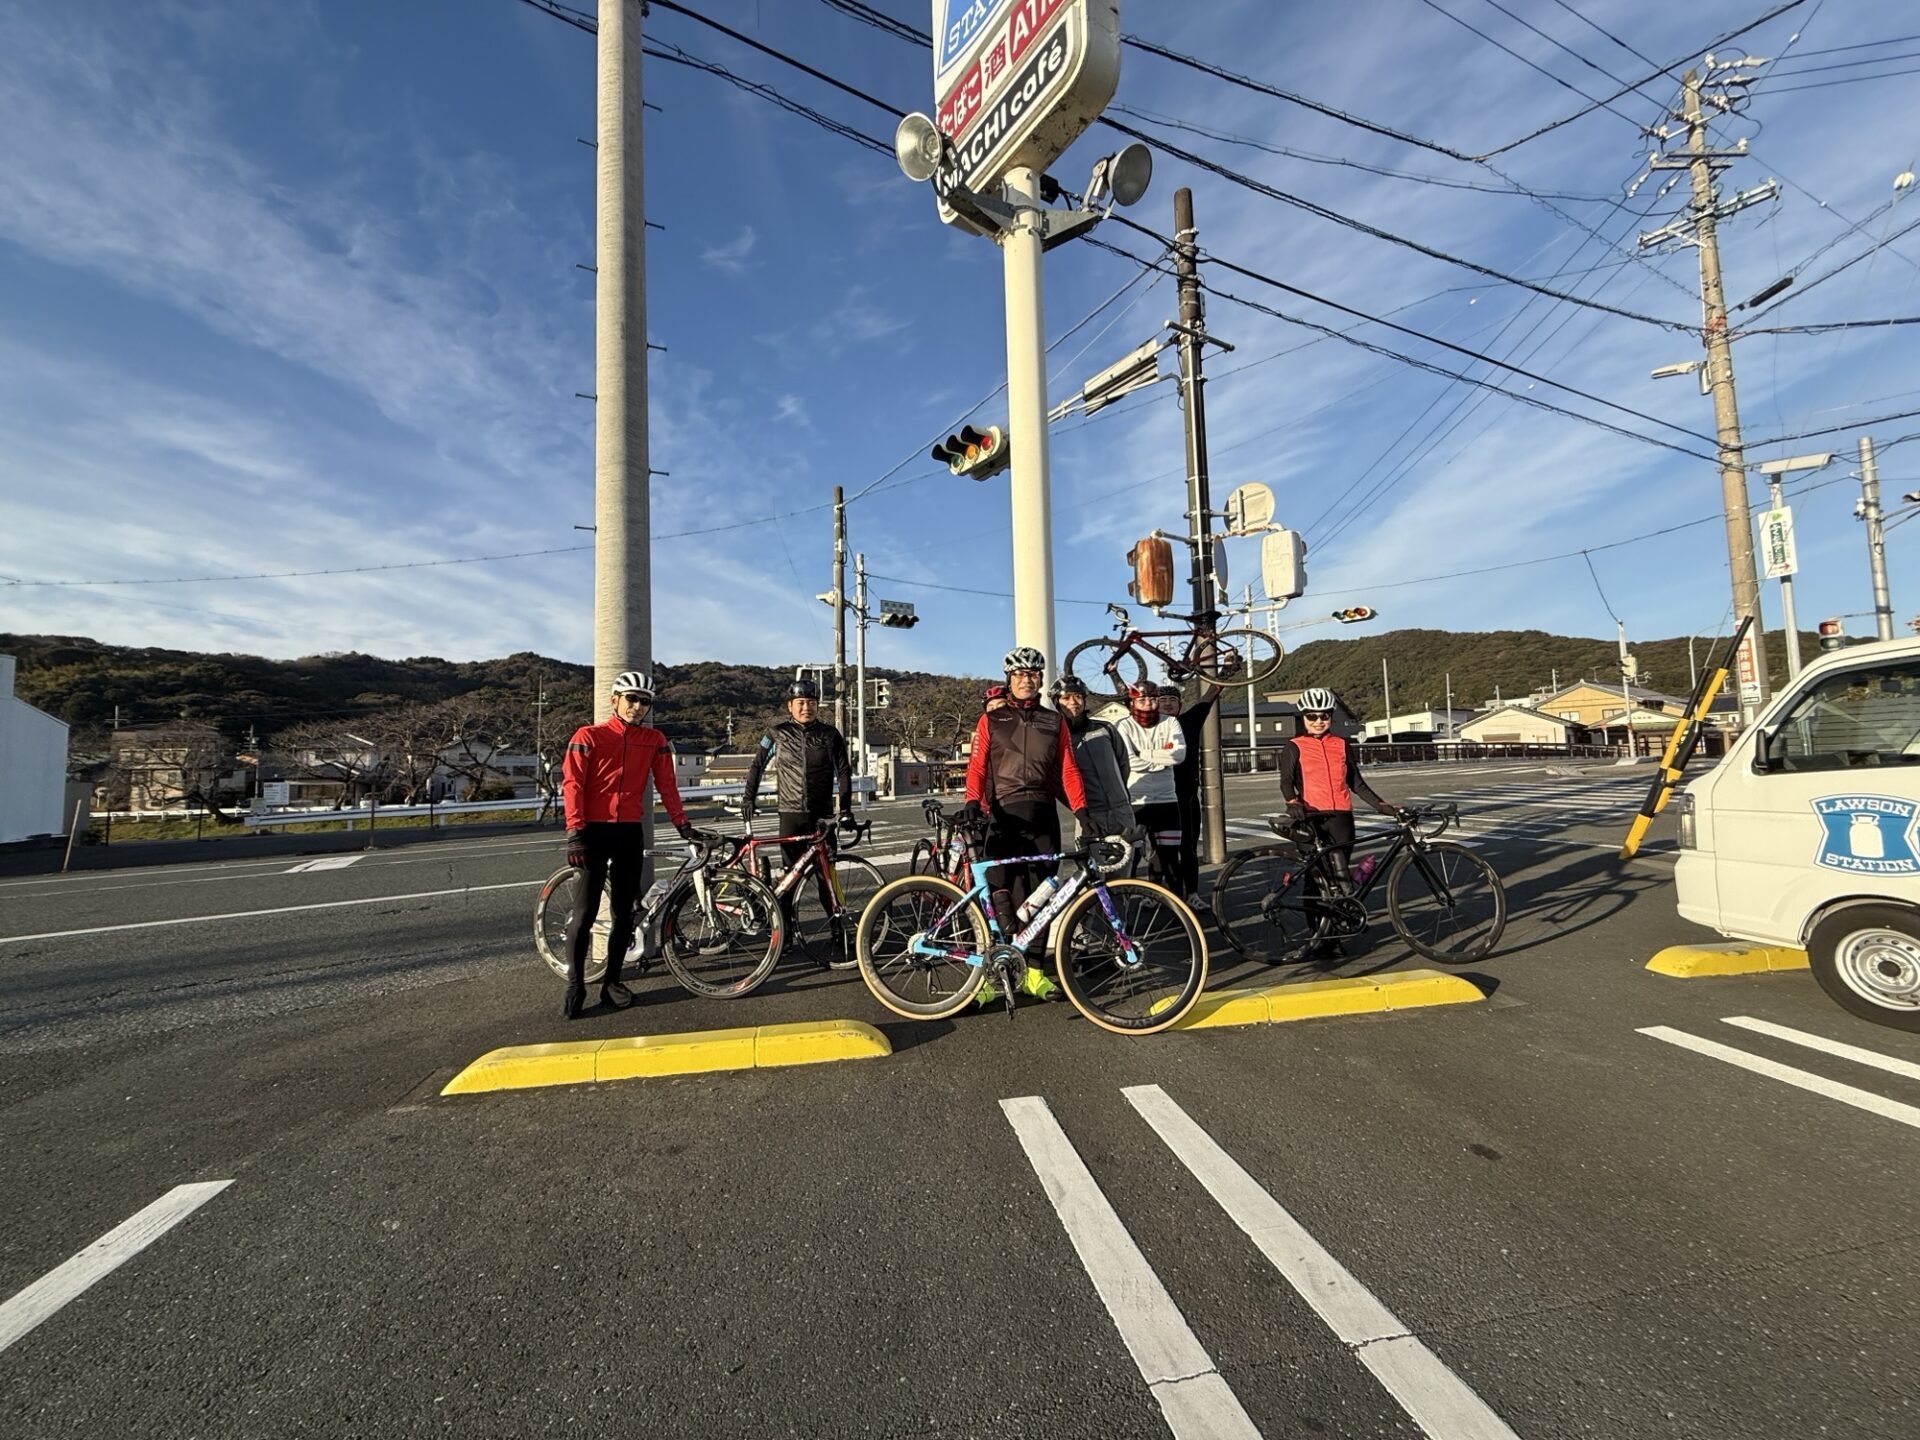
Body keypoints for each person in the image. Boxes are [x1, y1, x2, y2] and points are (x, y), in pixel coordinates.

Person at [562, 670, 697, 1019]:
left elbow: (667, 785)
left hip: (628, 831)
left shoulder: (655, 741)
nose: (638, 707)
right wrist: (575, 832)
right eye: (631, 699)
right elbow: (572, 784)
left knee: (625, 912)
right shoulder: (588, 736)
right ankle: (575, 984)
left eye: (644, 702)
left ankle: (611, 982)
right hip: (592, 831)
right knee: (585, 913)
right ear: (615, 700)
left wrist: (682, 823)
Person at [964, 646, 1090, 1001]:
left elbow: (1068, 769)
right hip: (1004, 814)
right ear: (1009, 679)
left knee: (1044, 897)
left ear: (1040, 680)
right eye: (1019, 674)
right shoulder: (992, 719)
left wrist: (1082, 812)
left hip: (1043, 814)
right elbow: (977, 767)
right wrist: (972, 802)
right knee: (998, 893)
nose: (1026, 680)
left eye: (1032, 675)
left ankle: (1034, 973)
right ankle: (993, 976)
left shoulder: (1054, 721)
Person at [1280, 686, 1407, 958]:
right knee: (1317, 882)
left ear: (1330, 716)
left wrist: (1381, 805)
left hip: (1342, 818)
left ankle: (1334, 935)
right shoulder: (1294, 746)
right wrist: (1293, 803)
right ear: (1303, 718)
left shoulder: (1341, 745)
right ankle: (1317, 938)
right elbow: (1286, 782)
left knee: (1340, 879)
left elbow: (1356, 783)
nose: (1318, 721)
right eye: (1312, 716)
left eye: (1323, 715)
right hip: (1312, 818)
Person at [742, 677, 854, 936]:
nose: (807, 707)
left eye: (812, 702)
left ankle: (837, 925)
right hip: (790, 814)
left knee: (828, 875)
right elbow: (757, 765)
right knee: (788, 878)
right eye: (801, 702)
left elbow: (844, 772)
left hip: (822, 816)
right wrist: (749, 797)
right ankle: (786, 932)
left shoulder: (830, 735)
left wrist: (845, 809)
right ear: (790, 706)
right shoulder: (776, 733)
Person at [1114, 682, 1186, 890]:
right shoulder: (1123, 725)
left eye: (1153, 699)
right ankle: (1126, 912)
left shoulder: (1170, 722)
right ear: (1131, 702)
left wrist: (1143, 754)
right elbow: (1129, 761)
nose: (1148, 703)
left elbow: (1179, 755)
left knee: (1171, 860)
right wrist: (1162, 757)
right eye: (1142, 699)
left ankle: (1178, 913)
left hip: (1167, 800)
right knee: (1130, 859)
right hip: (1135, 800)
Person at [1158, 680, 1222, 907]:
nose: (1167, 704)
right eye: (1162, 700)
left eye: (1172, 700)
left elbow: (1210, 695)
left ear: (1180, 704)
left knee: (1188, 848)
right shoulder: (1147, 726)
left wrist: (1224, 672)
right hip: (1159, 798)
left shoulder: (1189, 721)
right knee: (1159, 850)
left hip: (1186, 796)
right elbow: (1130, 699)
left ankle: (1192, 893)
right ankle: (1153, 893)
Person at [1052, 675, 1132, 840]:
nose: (1073, 702)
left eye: (1078, 696)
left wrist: (1120, 793)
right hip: (1090, 815)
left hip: (1121, 810)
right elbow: (1058, 781)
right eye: (1066, 698)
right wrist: (1079, 810)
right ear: (1057, 703)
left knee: (1128, 862)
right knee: (1096, 864)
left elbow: (1123, 763)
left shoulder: (1105, 728)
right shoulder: (1055, 738)